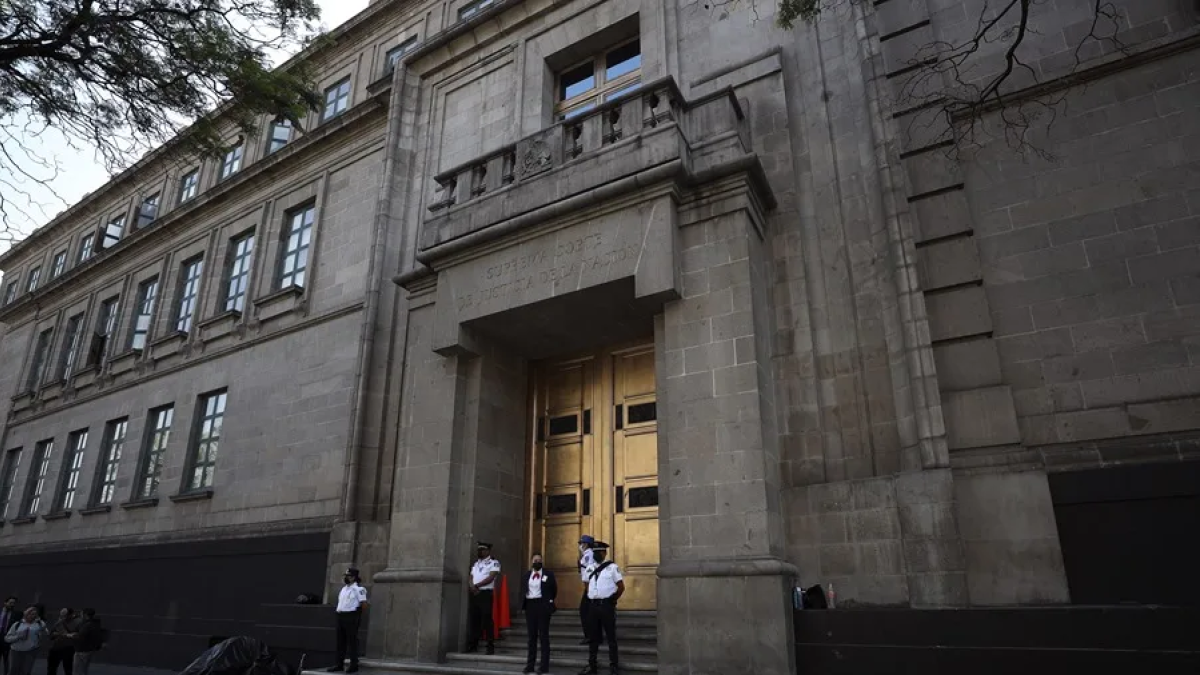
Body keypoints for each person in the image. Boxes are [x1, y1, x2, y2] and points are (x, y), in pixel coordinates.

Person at [580, 542, 623, 675]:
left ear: (604, 553)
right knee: (593, 638)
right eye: (594, 552)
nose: (596, 555)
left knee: (611, 637)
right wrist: (592, 595)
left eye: (598, 552)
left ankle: (614, 666)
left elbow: (621, 587)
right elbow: (586, 583)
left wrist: (612, 600)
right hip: (593, 606)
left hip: (606, 606)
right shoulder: (590, 568)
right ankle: (592, 665)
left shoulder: (612, 567)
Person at [520, 553, 557, 675]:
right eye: (535, 560)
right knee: (532, 637)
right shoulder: (526, 575)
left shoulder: (548, 574)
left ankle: (544, 666)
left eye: (539, 560)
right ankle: (530, 665)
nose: (537, 562)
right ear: (531, 561)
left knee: (543, 636)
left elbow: (554, 590)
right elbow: (523, 589)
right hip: (530, 606)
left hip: (542, 606)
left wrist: (547, 602)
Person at [327, 567, 368, 673]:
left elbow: (364, 604)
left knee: (352, 641)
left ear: (354, 577)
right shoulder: (344, 589)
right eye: (346, 576)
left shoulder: (359, 589)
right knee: (340, 641)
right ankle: (339, 664)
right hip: (340, 616)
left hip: (351, 616)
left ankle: (354, 664)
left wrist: (356, 615)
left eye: (349, 576)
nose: (346, 578)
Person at [466, 541, 500, 655]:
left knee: (487, 619)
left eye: (482, 550)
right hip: (475, 593)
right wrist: (472, 586)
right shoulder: (476, 564)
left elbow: (491, 577)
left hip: (485, 593)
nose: (480, 552)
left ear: (488, 551)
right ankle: (473, 644)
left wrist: (477, 586)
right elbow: (471, 576)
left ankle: (490, 645)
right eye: (479, 550)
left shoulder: (494, 563)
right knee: (474, 619)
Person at [4, 606, 47, 675]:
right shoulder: (17, 624)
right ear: (26, 614)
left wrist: (40, 621)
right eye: (30, 614)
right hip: (16, 652)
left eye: (34, 614)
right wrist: (18, 637)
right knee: (13, 671)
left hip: (30, 652)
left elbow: (45, 630)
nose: (32, 616)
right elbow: (7, 638)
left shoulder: (38, 625)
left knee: (26, 672)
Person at [69, 609, 104, 675]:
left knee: (77, 671)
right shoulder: (94, 623)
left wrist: (70, 635)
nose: (80, 615)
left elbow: (80, 636)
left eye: (81, 614)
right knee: (83, 670)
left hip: (82, 651)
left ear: (85, 615)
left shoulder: (88, 625)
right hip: (87, 650)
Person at [47, 608, 80, 675]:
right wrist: (56, 634)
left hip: (68, 648)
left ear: (71, 615)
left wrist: (70, 635)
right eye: (61, 615)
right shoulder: (59, 622)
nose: (62, 617)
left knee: (68, 668)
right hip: (56, 648)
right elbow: (51, 635)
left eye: (64, 615)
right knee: (51, 668)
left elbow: (78, 636)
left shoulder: (78, 622)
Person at [577, 535, 596, 645]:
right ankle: (592, 635)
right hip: (589, 587)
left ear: (586, 544)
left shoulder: (589, 555)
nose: (580, 545)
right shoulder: (587, 555)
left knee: (585, 611)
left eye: (582, 543)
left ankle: (589, 635)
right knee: (588, 611)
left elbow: (589, 572)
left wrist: (588, 589)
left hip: (590, 587)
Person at [0, 597, 19, 673]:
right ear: (5, 603)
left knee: (6, 658)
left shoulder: (16, 614)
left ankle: (6, 673)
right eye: (10, 603)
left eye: (14, 603)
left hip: (7, 638)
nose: (12, 605)